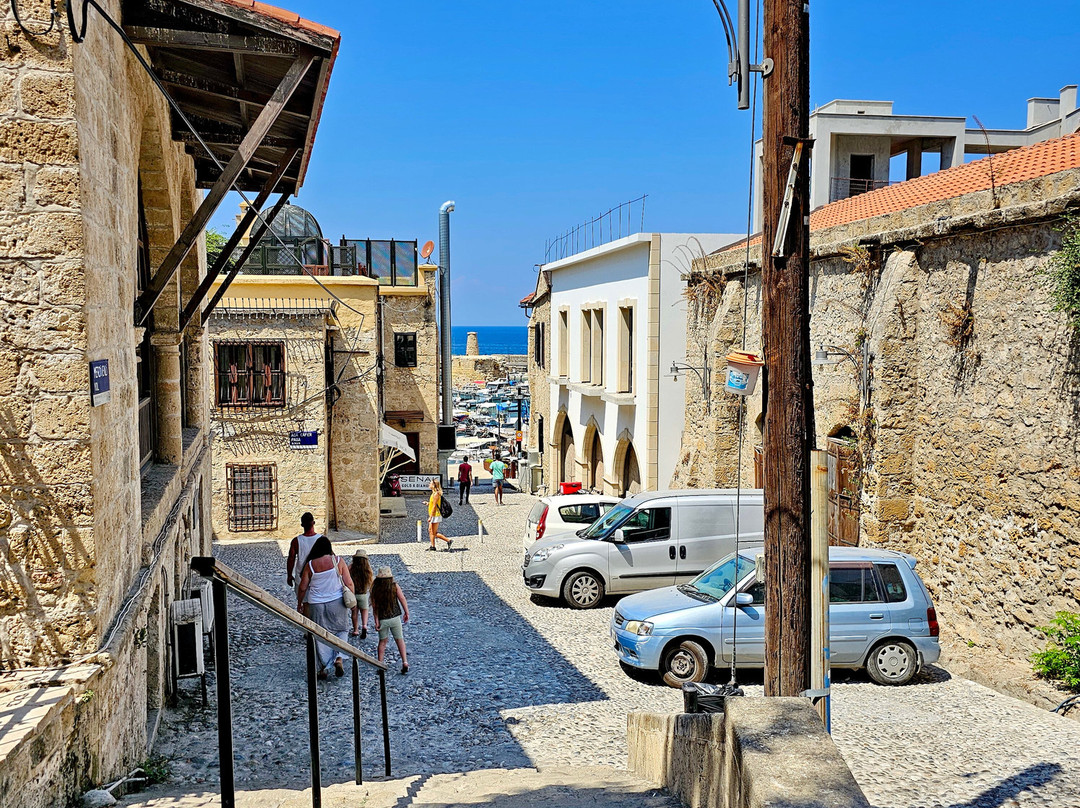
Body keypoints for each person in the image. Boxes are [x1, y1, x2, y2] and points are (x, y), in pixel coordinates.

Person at [296, 536, 355, 680]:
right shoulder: (338, 561)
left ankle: (323, 668)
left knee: (319, 635)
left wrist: (300, 603)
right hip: (337, 602)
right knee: (342, 630)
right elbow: (349, 583)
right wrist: (352, 600)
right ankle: (339, 658)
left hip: (316, 604)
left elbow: (303, 587)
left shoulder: (310, 565)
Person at [371, 566, 409, 674]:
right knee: (399, 640)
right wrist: (406, 612)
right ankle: (405, 662)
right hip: (395, 618)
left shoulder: (376, 589)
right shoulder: (394, 586)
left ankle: (380, 664)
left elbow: (375, 607)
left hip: (383, 619)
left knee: (382, 642)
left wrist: (376, 621)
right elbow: (402, 598)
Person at [286, 512, 321, 601]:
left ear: (302, 525)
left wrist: (289, 575)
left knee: (303, 604)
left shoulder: (296, 541)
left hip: (301, 578)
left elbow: (291, 559)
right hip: (317, 578)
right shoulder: (322, 540)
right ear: (313, 523)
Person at [349, 548, 374, 639]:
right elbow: (371, 582)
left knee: (354, 613)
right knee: (365, 610)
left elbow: (346, 577)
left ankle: (355, 630)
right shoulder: (367, 569)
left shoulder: (351, 567)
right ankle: (364, 626)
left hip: (354, 594)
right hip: (363, 594)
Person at [426, 478, 453, 552]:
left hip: (435, 515)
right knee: (430, 530)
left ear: (434, 485)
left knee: (433, 532)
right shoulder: (433, 493)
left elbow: (435, 506)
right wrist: (428, 504)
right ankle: (432, 546)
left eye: (430, 483)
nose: (429, 484)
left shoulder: (436, 494)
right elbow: (433, 504)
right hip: (434, 514)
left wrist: (431, 517)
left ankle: (448, 540)